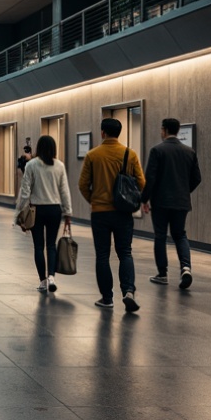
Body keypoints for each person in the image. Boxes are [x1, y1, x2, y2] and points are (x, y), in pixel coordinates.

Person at [79, 119, 145, 311]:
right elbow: (141, 183)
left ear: (102, 133)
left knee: (102, 255)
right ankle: (128, 292)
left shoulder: (93, 155)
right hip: (123, 213)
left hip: (100, 213)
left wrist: (94, 200)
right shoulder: (129, 154)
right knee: (125, 252)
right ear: (119, 133)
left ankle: (107, 298)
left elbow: (83, 184)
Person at [141, 118, 202, 289]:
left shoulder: (157, 151)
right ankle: (186, 267)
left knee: (160, 236)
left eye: (161, 129)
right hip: (181, 202)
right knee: (180, 235)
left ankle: (162, 274)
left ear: (165, 130)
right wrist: (183, 191)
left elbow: (150, 178)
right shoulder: (189, 152)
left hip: (160, 202)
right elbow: (197, 178)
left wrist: (144, 199)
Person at [16, 135, 73, 293]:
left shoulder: (31, 165)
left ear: (38, 148)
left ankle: (42, 281)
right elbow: (64, 191)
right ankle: (52, 277)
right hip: (54, 209)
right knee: (51, 245)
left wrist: (21, 213)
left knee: (39, 246)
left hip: (37, 210)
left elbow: (25, 191)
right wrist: (68, 212)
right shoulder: (59, 165)